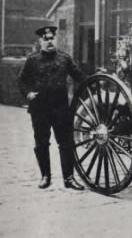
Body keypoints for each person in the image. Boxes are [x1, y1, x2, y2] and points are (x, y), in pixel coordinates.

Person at [17, 26, 87, 190]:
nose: (49, 41)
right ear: (40, 41)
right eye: (46, 39)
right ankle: (45, 176)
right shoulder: (32, 60)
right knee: (41, 143)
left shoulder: (65, 58)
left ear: (55, 39)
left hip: (60, 109)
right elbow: (21, 80)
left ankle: (69, 179)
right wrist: (27, 94)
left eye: (51, 38)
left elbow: (79, 76)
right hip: (40, 109)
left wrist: (89, 86)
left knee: (66, 143)